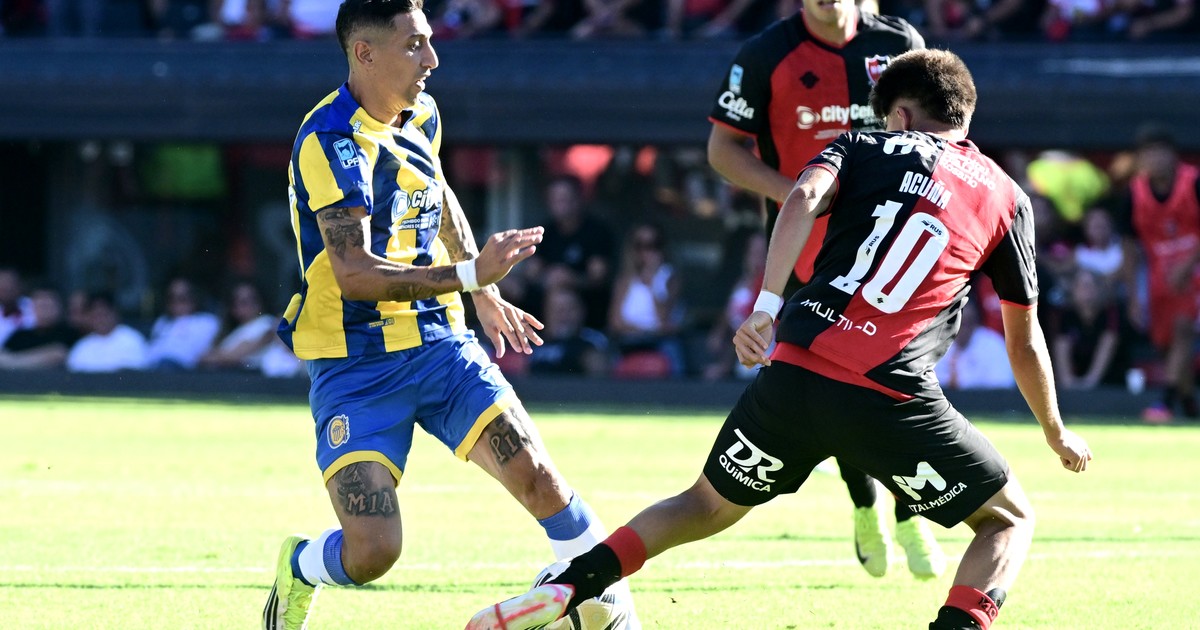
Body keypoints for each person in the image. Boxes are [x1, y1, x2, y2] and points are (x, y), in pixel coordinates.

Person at [468, 49, 1094, 630]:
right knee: (1007, 519)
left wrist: (766, 307)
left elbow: (801, 196)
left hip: (793, 371)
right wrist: (1055, 431)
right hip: (890, 395)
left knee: (703, 506)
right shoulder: (1007, 197)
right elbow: (1023, 337)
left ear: (901, 116)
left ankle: (575, 583)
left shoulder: (862, 144)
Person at [263, 2, 637, 629]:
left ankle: (607, 604)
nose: (433, 59)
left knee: (539, 477)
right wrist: (469, 277)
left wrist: (480, 293)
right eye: (415, 45)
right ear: (364, 53)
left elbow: (437, 191)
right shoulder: (329, 140)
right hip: (355, 362)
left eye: (430, 42)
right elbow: (355, 275)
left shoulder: (423, 114)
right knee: (374, 552)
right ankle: (301, 567)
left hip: (441, 344)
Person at [705, 0, 939, 579]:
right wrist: (799, 195)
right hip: (808, 257)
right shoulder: (766, 54)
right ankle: (864, 505)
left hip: (893, 253)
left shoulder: (898, 41)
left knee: (901, 380)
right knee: (835, 387)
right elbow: (722, 150)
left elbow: (939, 137)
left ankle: (911, 511)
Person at [1117, 124, 1200, 422]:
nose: (1155, 160)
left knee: (1183, 330)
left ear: (1173, 155)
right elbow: (1129, 246)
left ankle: (1164, 402)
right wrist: (1133, 296)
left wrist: (1188, 264)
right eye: (1148, 154)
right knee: (1165, 345)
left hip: (1194, 273)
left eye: (1160, 153)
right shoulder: (1134, 193)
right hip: (1158, 278)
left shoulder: (1194, 182)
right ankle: (1188, 401)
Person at [607, 223, 686, 377]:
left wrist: (653, 282)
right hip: (629, 343)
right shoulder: (624, 281)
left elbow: (664, 320)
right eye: (640, 246)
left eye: (654, 245)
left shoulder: (670, 277)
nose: (647, 252)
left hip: (661, 343)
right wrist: (644, 331)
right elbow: (615, 322)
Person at [934, 296, 1015, 390]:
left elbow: (1002, 386)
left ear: (976, 322)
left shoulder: (993, 344)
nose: (963, 329)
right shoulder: (936, 343)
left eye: (967, 323)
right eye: (959, 322)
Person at [198, 279, 278, 371]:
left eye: (252, 300)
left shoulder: (266, 322)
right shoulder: (232, 330)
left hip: (249, 375)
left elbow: (236, 355)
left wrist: (216, 357)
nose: (249, 305)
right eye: (242, 302)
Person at [145, 277, 221, 371]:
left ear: (193, 299)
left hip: (184, 371)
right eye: (171, 298)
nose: (176, 302)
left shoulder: (207, 321)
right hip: (152, 368)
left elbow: (202, 352)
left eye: (182, 298)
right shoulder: (162, 321)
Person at [0, 286, 81, 370]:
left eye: (48, 305)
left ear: (60, 306)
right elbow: (2, 356)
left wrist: (13, 361)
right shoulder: (20, 335)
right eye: (40, 305)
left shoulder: (70, 334)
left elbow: (59, 354)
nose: (44, 310)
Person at [65, 292, 149, 373]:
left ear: (114, 313)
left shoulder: (132, 340)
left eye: (104, 314)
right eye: (96, 315)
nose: (101, 320)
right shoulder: (82, 347)